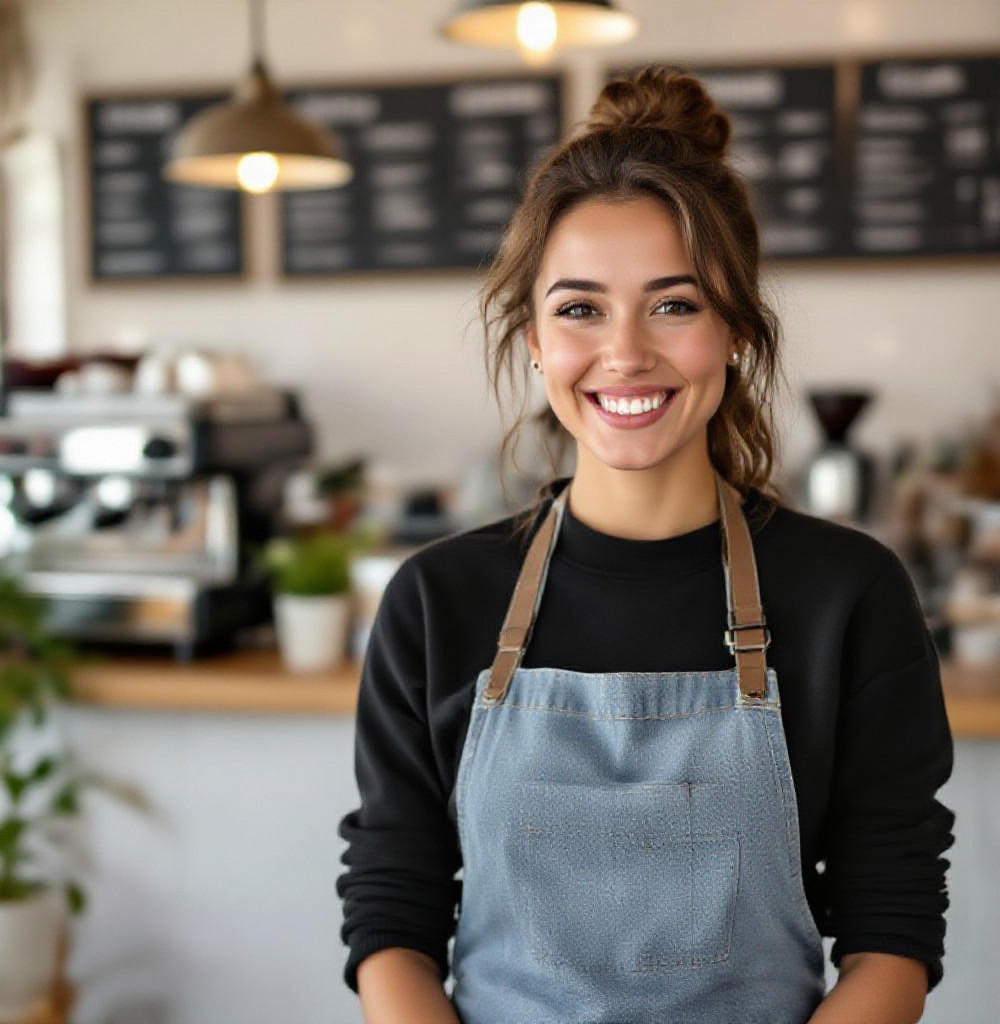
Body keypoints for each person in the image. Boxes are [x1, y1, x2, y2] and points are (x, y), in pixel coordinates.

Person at [337, 66, 954, 1024]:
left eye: (675, 303)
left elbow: (893, 926)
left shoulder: (849, 593)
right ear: (535, 338)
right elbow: (393, 908)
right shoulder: (436, 600)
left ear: (739, 329)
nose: (625, 353)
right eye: (580, 308)